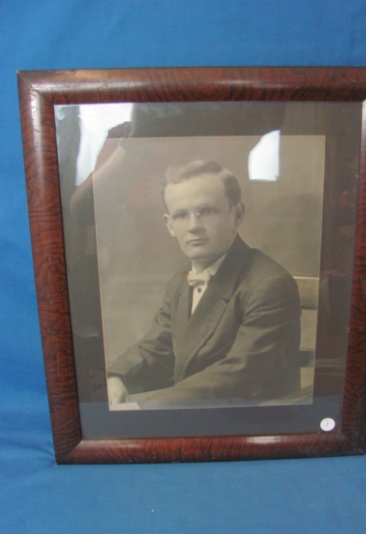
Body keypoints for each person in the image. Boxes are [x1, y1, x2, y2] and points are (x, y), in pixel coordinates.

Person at [107, 159, 301, 407]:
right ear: (169, 225)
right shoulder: (181, 281)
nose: (194, 226)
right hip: (196, 413)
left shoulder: (269, 284)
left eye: (206, 211)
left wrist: (145, 408)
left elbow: (239, 374)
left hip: (253, 422)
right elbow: (159, 346)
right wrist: (118, 376)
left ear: (237, 214)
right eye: (181, 215)